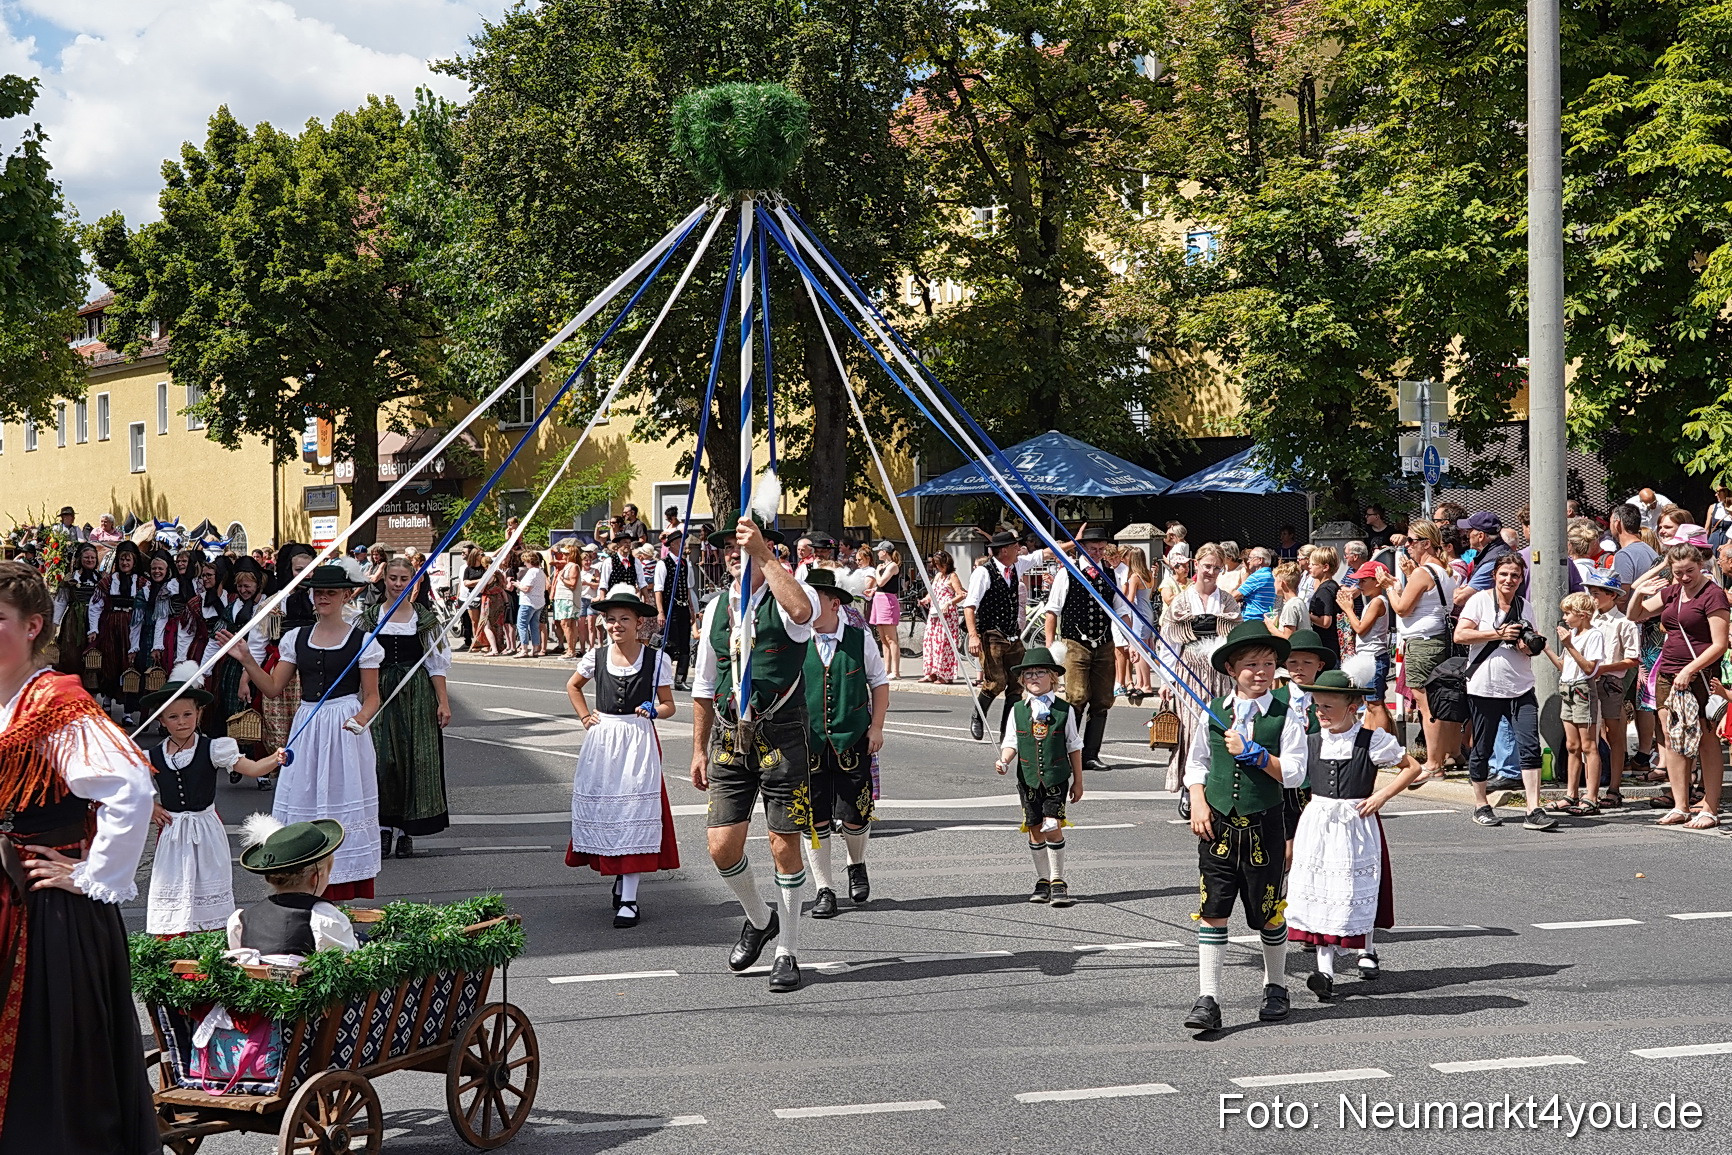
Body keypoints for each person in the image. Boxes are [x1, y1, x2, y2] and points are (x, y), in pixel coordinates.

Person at [0, 560, 159, 1153]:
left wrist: (93, 874)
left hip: (46, 914)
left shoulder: (54, 701)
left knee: (51, 1062)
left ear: (33, 626)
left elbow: (131, 789)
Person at [689, 514, 821, 992]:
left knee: (782, 843)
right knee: (721, 846)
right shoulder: (717, 607)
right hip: (728, 734)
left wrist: (764, 556)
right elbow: (704, 686)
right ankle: (758, 917)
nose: (732, 551)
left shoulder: (784, 599)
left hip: (781, 733)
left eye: (741, 543)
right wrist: (698, 749)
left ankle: (787, 947)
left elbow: (805, 614)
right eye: (728, 546)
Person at [220, 565, 383, 899]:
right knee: (306, 797)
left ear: (345, 595)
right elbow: (273, 688)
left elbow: (372, 697)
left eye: (330, 593)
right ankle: (301, 878)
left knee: (340, 798)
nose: (322, 598)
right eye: (318, 592)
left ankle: (340, 886)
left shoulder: (363, 641)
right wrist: (248, 661)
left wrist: (360, 720)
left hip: (344, 727)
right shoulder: (296, 638)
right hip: (308, 726)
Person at [1182, 622, 1309, 1031]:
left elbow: (1294, 772)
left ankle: (1275, 986)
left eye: (1269, 664)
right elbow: (1197, 762)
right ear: (1232, 669)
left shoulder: (1284, 715)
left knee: (1267, 911)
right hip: (1218, 824)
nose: (1261, 672)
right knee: (1213, 909)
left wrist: (1255, 754)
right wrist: (1198, 801)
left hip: (1264, 825)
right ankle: (1208, 998)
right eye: (1251, 664)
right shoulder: (1215, 713)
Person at [1286, 669, 1422, 1001]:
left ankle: (1367, 948)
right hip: (1319, 823)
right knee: (1322, 892)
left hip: (1355, 823)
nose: (1321, 713)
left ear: (1352, 707)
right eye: (1317, 706)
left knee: (1353, 890)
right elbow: (1287, 773)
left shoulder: (1371, 739)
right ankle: (1325, 971)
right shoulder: (1311, 742)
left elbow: (1414, 768)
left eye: (1328, 706)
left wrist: (1381, 796)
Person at [565, 585, 679, 929]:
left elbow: (669, 705)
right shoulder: (596, 656)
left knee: (633, 809)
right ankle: (620, 877)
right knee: (608, 807)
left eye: (624, 619)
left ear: (638, 623)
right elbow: (573, 686)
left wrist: (655, 711)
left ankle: (629, 899)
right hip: (603, 740)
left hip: (637, 739)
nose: (616, 625)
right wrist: (586, 717)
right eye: (611, 620)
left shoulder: (656, 659)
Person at [142, 664, 282, 934]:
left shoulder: (214, 748)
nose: (181, 722)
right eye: (173, 716)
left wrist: (274, 759)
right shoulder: (153, 756)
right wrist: (150, 805)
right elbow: (128, 787)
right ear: (161, 719)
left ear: (199, 713)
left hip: (205, 830)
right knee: (173, 886)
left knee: (207, 883)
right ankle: (173, 945)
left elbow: (251, 768)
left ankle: (208, 943)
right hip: (172, 833)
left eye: (187, 714)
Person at [801, 569, 889, 917]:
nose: (805, 606)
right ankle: (824, 888)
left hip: (853, 736)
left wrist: (877, 727)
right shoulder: (796, 639)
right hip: (808, 742)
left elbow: (879, 684)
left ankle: (856, 862)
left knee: (855, 814)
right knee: (815, 817)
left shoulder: (859, 638)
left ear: (834, 603)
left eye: (814, 600)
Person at [1629, 542, 1729, 828]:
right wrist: (1638, 593)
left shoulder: (1713, 595)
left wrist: (1690, 670)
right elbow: (1635, 615)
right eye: (1679, 572)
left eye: (1690, 571)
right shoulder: (1673, 592)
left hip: (1700, 674)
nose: (1685, 577)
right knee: (1671, 738)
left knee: (1707, 739)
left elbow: (1719, 644)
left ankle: (1709, 806)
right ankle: (1680, 805)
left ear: (1700, 566)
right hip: (1668, 672)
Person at [1454, 553, 1554, 831]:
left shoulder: (1525, 606)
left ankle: (1533, 808)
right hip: (1484, 687)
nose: (1509, 580)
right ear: (1495, 576)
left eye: (1515, 575)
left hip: (1520, 686)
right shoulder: (1479, 601)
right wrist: (1498, 634)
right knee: (1483, 747)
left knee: (1530, 745)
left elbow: (1527, 646)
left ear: (1521, 579)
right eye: (1504, 574)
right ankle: (1480, 804)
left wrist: (1526, 645)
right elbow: (1460, 635)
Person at [362, 557, 452, 859]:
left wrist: (443, 702)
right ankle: (383, 828)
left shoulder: (425, 620)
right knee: (382, 760)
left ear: (413, 582)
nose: (398, 584)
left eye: (404, 579)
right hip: (381, 693)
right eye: (393, 578)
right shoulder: (370, 618)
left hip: (416, 695)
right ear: (384, 580)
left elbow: (436, 664)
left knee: (415, 760)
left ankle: (405, 832)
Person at [993, 645, 1084, 906]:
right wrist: (1004, 760)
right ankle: (1042, 879)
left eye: (1040, 672)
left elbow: (1074, 746)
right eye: (1028, 674)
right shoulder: (1018, 710)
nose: (1034, 677)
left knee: (1052, 826)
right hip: (1028, 778)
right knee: (1034, 829)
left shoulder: (1064, 710)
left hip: (1055, 778)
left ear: (1053, 677)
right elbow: (1011, 741)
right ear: (1022, 679)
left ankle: (1058, 880)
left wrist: (1078, 781)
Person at [1160, 542, 1242, 793]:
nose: (1212, 572)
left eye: (1217, 568)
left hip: (1219, 672)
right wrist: (1166, 679)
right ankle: (1190, 787)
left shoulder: (1228, 602)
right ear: (1197, 565)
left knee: (1219, 728)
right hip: (1189, 671)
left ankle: (1216, 785)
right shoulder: (1182, 601)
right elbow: (1169, 643)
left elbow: (1236, 640)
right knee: (1191, 729)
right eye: (1207, 566)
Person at [1044, 526, 1126, 774]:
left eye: (1101, 549)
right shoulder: (1067, 573)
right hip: (1075, 644)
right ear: (1082, 548)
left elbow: (1121, 610)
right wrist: (1050, 645)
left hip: (1104, 643)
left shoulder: (1111, 574)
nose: (1098, 553)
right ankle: (1070, 752)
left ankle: (1091, 755)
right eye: (1093, 549)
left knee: (1102, 700)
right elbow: (1052, 610)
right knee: (1077, 697)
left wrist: (1130, 642)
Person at [226, 817, 359, 966]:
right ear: (316, 878)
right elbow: (346, 961)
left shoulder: (243, 918)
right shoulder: (324, 918)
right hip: (305, 988)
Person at [1391, 521, 1458, 783]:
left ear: (1425, 543)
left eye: (1411, 540)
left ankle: (1433, 763)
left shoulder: (1424, 573)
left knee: (1425, 704)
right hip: (1439, 639)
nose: (1407, 545)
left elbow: (1402, 608)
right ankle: (1449, 754)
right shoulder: (1445, 570)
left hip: (1422, 642)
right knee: (1440, 700)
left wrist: (1389, 586)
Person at [962, 531, 1041, 742]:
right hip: (991, 634)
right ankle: (978, 716)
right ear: (1004, 550)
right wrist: (973, 636)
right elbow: (969, 606)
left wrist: (1076, 543)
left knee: (1017, 682)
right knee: (996, 682)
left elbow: (1046, 554)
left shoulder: (1016, 566)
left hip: (1012, 634)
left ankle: (1007, 730)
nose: (1020, 549)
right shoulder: (983, 573)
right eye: (1016, 546)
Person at [1546, 592, 1607, 815]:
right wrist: (1548, 649)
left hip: (1583, 690)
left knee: (1589, 745)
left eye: (1568, 613)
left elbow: (1590, 668)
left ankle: (1591, 796)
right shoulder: (1572, 634)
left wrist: (1569, 645)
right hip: (1567, 688)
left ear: (1582, 615)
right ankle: (1571, 793)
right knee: (1572, 746)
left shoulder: (1593, 635)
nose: (1564, 617)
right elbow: (1564, 666)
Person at [1584, 571, 1639, 805]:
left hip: (1611, 682)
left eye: (1596, 593)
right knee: (1590, 735)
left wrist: (1605, 669)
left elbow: (1633, 659)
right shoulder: (1587, 619)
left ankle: (1614, 788)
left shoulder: (1623, 623)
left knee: (1614, 733)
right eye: (1591, 593)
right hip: (1587, 682)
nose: (1592, 597)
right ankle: (1591, 789)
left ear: (1612, 595)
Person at [88, 539, 146, 715]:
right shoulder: (107, 581)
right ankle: (106, 701)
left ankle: (128, 711)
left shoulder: (142, 583)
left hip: (132, 625)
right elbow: (95, 606)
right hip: (111, 624)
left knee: (129, 664)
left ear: (134, 561)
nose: (125, 563)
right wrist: (94, 629)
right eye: (122, 559)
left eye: (128, 559)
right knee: (109, 663)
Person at [1336, 561, 1395, 733]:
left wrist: (1348, 610)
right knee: (1370, 703)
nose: (1358, 585)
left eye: (1363, 581)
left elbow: (1360, 628)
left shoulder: (1377, 601)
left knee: (1375, 703)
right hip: (1368, 657)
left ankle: (1384, 740)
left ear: (1376, 582)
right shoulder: (1372, 602)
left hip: (1374, 657)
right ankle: (1373, 737)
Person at [653, 532, 699, 689]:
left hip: (683, 607)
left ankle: (680, 680)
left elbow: (687, 589)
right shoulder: (663, 564)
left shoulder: (686, 564)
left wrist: (692, 610)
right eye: (680, 542)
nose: (683, 545)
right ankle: (662, 677)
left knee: (685, 644)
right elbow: (658, 590)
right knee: (670, 644)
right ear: (672, 544)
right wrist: (660, 612)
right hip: (670, 608)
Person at [51, 543, 102, 677]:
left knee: (94, 656)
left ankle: (91, 688)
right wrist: (54, 623)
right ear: (80, 559)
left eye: (93, 558)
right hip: (74, 619)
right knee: (72, 654)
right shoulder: (70, 578)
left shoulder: (101, 579)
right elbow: (61, 601)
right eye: (86, 557)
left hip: (96, 620)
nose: (90, 560)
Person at [919, 551, 966, 684]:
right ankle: (932, 672)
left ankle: (945, 674)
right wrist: (925, 600)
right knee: (930, 642)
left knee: (943, 644)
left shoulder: (952, 576)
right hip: (934, 613)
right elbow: (932, 593)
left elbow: (961, 594)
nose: (938, 568)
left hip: (947, 615)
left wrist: (949, 602)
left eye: (940, 565)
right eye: (936, 565)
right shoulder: (938, 575)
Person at [1119, 546, 1157, 700]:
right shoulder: (1149, 574)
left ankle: (1145, 685)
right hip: (1147, 612)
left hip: (1139, 615)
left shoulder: (1134, 577)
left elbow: (1129, 599)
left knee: (1140, 651)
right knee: (1143, 649)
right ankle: (1141, 683)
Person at [868, 541, 903, 681]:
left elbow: (881, 582)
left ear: (885, 552)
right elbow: (881, 586)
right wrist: (873, 590)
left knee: (891, 638)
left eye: (879, 551)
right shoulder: (883, 566)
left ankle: (896, 670)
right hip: (879, 600)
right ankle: (886, 668)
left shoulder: (892, 566)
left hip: (887, 602)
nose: (877, 553)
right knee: (883, 638)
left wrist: (876, 571)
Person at [513, 551, 548, 657]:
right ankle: (536, 649)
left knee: (521, 625)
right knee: (534, 626)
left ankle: (524, 649)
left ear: (529, 561)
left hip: (528, 602)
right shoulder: (541, 571)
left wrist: (517, 585)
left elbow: (527, 588)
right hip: (539, 602)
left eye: (525, 562)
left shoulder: (532, 572)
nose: (524, 564)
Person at [1237, 547, 1277, 620]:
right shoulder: (1270, 576)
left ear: (1260, 560)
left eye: (1250, 558)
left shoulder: (1257, 577)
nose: (1248, 561)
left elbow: (1236, 596)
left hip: (1251, 620)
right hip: (1264, 620)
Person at [1272, 563, 1306, 637]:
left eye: (1275, 581)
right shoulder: (1299, 602)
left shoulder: (1290, 606)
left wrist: (1271, 627)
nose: (1274, 584)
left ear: (1282, 584)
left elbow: (1288, 637)